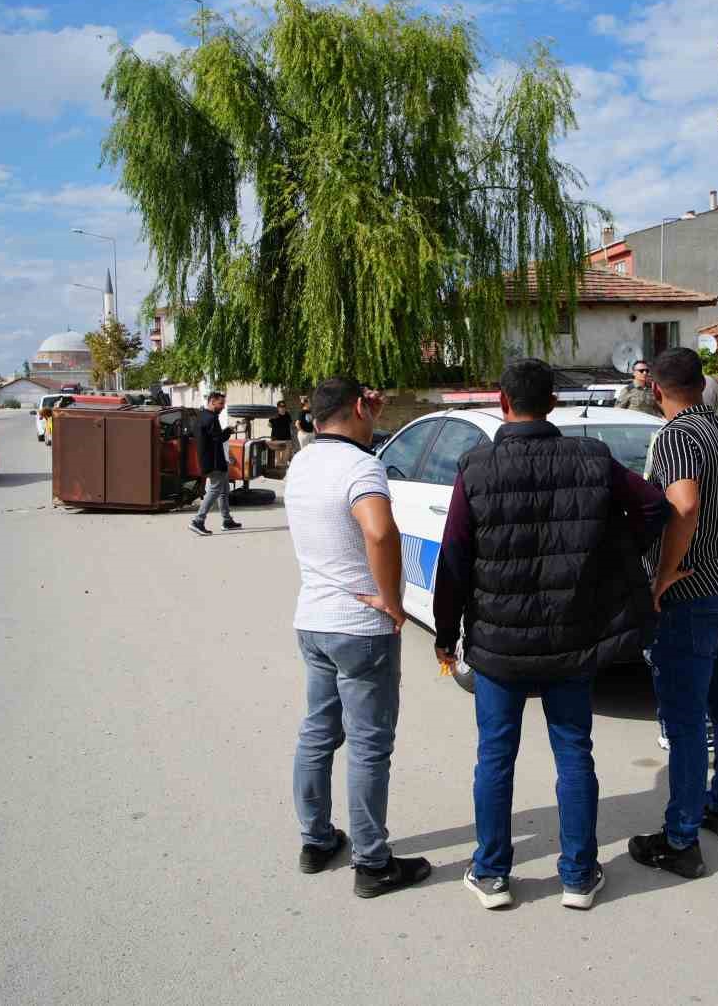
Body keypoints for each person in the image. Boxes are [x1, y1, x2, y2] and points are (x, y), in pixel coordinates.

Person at [433, 358, 667, 911]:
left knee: (495, 755)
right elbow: (654, 505)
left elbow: (455, 558)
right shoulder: (593, 458)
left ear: (501, 401)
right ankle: (579, 876)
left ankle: (492, 874)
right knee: (573, 750)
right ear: (554, 403)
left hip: (497, 644)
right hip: (573, 637)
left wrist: (446, 634)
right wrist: (618, 549)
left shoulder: (475, 465)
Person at [629, 347, 718, 880]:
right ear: (702, 383)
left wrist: (666, 570)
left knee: (687, 720)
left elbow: (684, 505)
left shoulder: (675, 437)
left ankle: (681, 838)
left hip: (690, 598)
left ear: (656, 390)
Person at [284, 376, 431, 897]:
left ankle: (317, 839)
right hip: (361, 628)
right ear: (356, 409)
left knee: (318, 731)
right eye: (371, 404)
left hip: (315, 621)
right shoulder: (361, 467)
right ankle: (372, 862)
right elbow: (380, 530)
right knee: (369, 744)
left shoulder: (301, 463)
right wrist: (390, 597)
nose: (376, 412)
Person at [190, 392, 241, 534]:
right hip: (214, 462)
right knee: (214, 490)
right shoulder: (211, 419)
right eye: (220, 404)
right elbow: (218, 439)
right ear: (212, 401)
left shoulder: (201, 416)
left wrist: (224, 432)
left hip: (213, 460)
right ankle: (198, 521)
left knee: (224, 491)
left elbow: (212, 438)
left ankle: (227, 520)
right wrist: (228, 431)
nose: (223, 407)